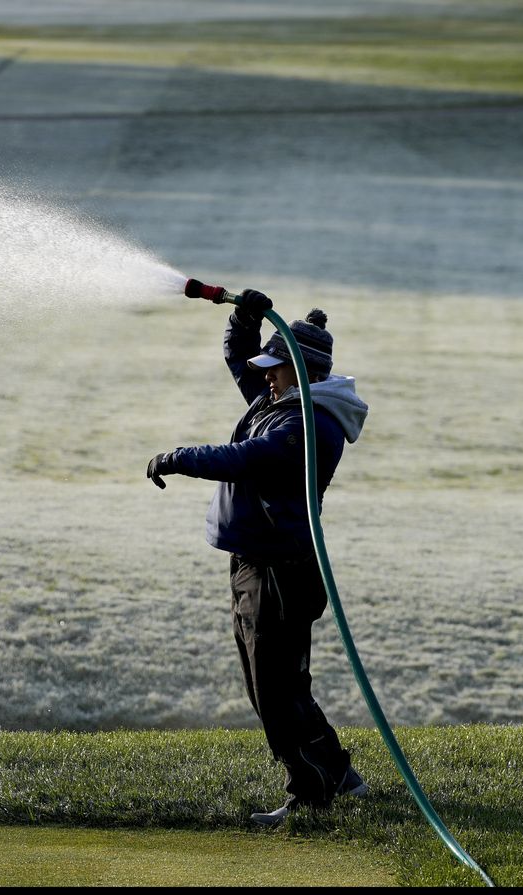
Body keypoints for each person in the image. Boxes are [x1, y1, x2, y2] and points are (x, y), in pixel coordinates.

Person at [144, 288, 372, 827]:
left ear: (302, 372)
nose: (264, 377)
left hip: (279, 568)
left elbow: (247, 457)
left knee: (274, 690)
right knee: (273, 684)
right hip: (257, 560)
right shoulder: (280, 401)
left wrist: (177, 457)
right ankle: (338, 775)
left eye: (275, 368)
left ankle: (313, 792)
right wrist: (243, 322)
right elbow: (238, 361)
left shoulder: (309, 425)